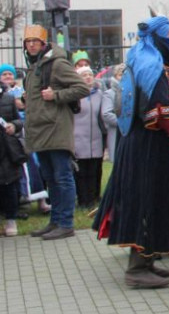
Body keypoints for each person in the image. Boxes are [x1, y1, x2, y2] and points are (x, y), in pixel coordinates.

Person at [93, 16, 169, 288]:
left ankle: (148, 260)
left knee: (152, 200)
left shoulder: (141, 58)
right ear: (156, 35)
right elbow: (160, 111)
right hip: (149, 146)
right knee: (146, 201)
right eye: (167, 32)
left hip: (140, 142)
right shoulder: (152, 64)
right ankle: (137, 269)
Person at [21, 24, 90, 240]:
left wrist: (56, 95)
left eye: (35, 41)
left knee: (62, 177)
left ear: (43, 44)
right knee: (50, 178)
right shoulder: (34, 66)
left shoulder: (57, 64)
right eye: (28, 42)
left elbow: (82, 88)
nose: (31, 45)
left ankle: (66, 223)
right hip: (40, 131)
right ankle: (55, 221)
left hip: (56, 130)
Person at [71, 66, 106, 208]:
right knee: (81, 171)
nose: (88, 77)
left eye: (90, 74)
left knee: (95, 169)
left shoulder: (100, 94)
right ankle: (83, 200)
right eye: (84, 75)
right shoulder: (74, 95)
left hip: (96, 137)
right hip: (78, 136)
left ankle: (94, 198)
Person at [1, 68, 26, 236]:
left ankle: (11, 221)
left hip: (5, 148)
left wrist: (14, 125)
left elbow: (18, 120)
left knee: (8, 185)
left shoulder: (8, 98)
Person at [100, 64, 124, 162]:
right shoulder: (109, 94)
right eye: (120, 75)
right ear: (115, 76)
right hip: (116, 133)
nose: (122, 77)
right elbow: (106, 114)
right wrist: (124, 123)